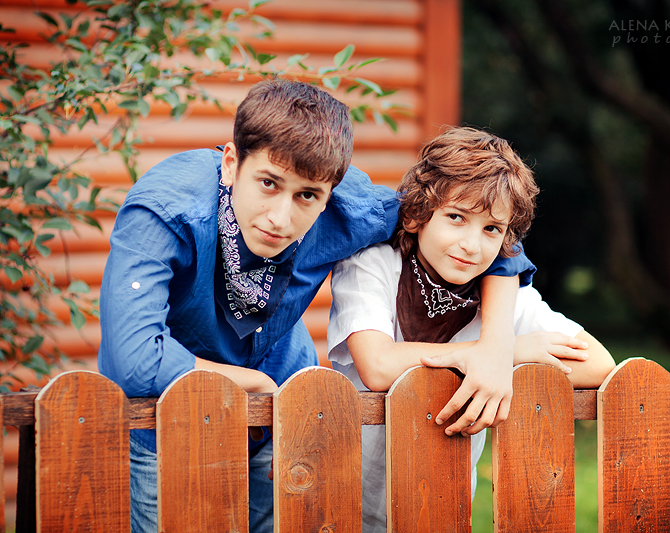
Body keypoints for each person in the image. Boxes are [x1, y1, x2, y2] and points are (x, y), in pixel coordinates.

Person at [97, 80, 534, 532]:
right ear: (231, 163)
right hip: (168, 420)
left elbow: (494, 239)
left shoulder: (350, 209)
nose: (280, 218)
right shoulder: (164, 212)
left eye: (306, 195)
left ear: (330, 193)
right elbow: (136, 359)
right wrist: (252, 383)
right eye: (268, 183)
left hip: (285, 412)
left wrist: (494, 350)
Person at [327, 126, 616, 532]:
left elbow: (599, 364)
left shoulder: (500, 296)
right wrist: (494, 353)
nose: (471, 245)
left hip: (444, 505)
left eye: (491, 229)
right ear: (416, 215)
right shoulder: (373, 264)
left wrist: (502, 353)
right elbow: (377, 365)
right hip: (342, 496)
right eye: (456, 218)